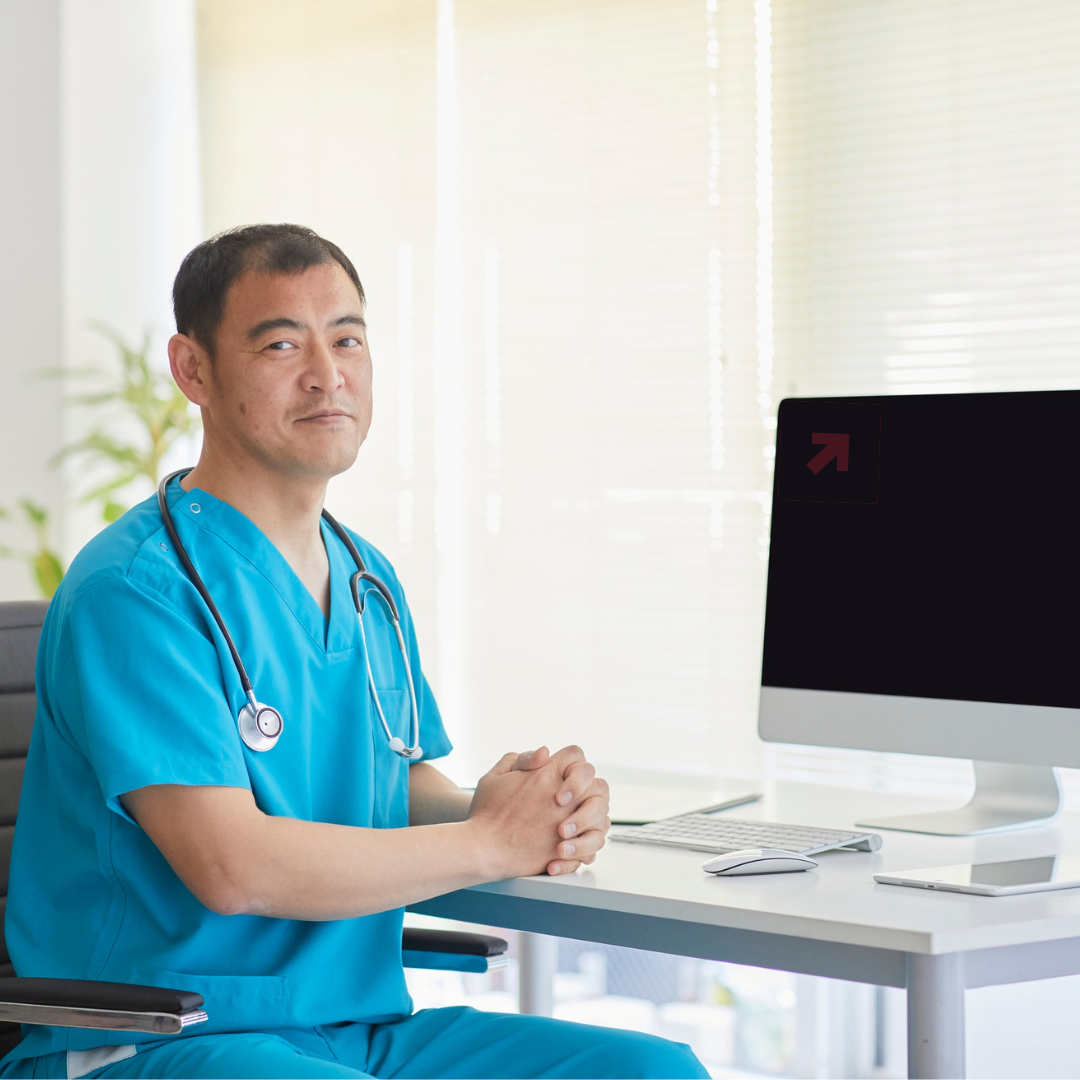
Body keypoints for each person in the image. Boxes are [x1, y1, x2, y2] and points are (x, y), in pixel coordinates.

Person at [1, 225, 707, 1080]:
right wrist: (489, 844)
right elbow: (234, 867)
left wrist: (518, 808)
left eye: (347, 340)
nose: (326, 375)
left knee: (654, 1071)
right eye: (280, 343)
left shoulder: (366, 579)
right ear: (193, 370)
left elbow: (396, 787)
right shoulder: (136, 590)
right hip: (162, 1039)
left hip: (352, 1028)